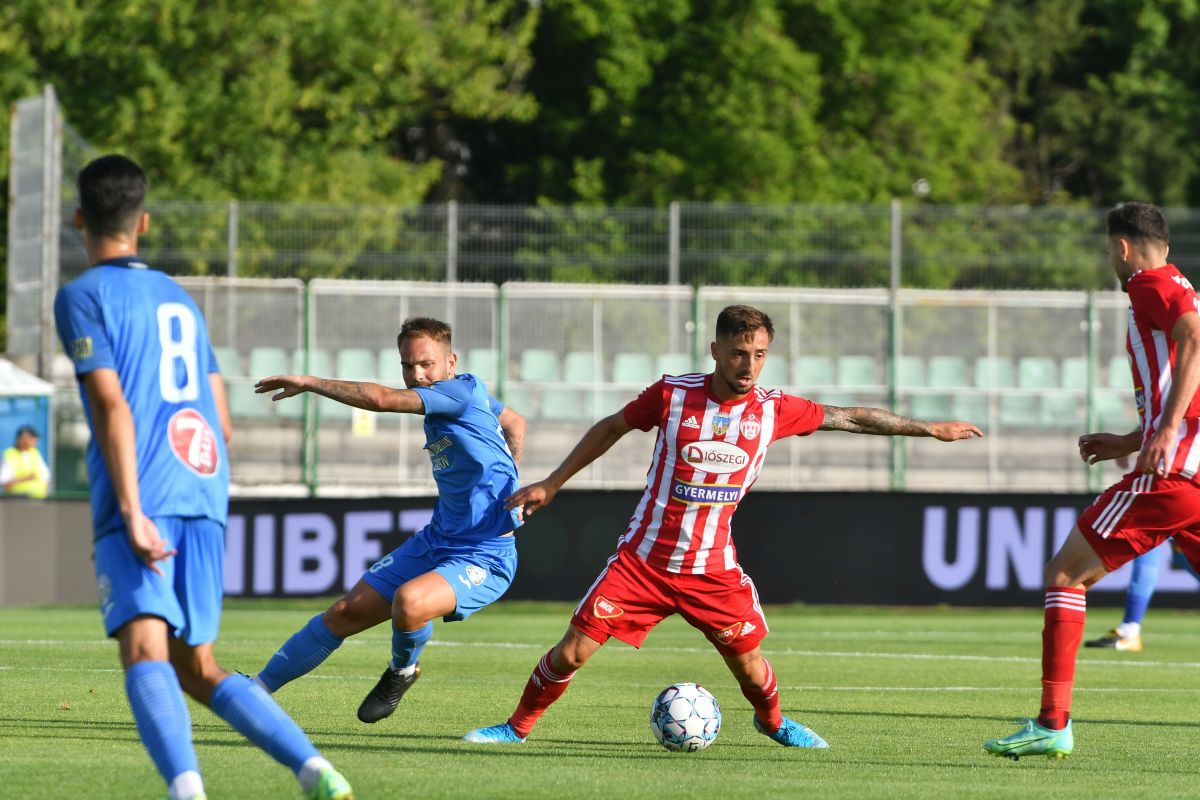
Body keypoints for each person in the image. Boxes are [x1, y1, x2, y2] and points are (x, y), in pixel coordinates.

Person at [462, 304, 982, 747]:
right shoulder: (672, 395)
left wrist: (928, 428)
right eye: (739, 353)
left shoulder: (774, 410)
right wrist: (553, 482)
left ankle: (773, 722)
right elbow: (612, 427)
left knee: (751, 668)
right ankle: (516, 727)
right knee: (573, 648)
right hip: (643, 562)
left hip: (712, 570)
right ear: (715, 350)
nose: (749, 365)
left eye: (759, 354)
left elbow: (851, 417)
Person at [54, 155, 353, 800]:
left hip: (147, 490)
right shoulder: (178, 298)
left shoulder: (82, 296)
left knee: (144, 650)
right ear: (145, 221)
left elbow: (111, 404)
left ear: (79, 218)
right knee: (199, 665)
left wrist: (132, 509)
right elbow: (222, 418)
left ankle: (187, 792)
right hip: (203, 486)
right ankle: (317, 771)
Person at [984, 202, 1200, 761]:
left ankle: (1052, 722)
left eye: (1109, 249)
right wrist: (1132, 440)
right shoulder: (1177, 279)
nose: (1109, 258)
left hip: (1175, 472)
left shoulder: (1147, 284)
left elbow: (1193, 338)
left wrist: (1164, 432)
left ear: (1123, 248)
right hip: (1191, 465)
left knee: (1064, 574)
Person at [252, 317, 525, 725]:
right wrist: (513, 481)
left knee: (410, 602)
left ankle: (402, 671)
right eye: (407, 366)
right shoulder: (474, 390)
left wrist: (310, 382)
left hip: (485, 555)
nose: (417, 375)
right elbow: (515, 422)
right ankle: (255, 691)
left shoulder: (457, 393)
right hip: (437, 540)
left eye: (426, 365)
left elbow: (380, 400)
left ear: (451, 361)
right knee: (344, 612)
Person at [1, 424, 50, 498]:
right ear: (22, 439)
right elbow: (4, 484)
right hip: (18, 501)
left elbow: (45, 477)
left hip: (39, 500)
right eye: (32, 438)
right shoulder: (9, 455)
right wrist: (26, 478)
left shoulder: (34, 453)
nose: (35, 440)